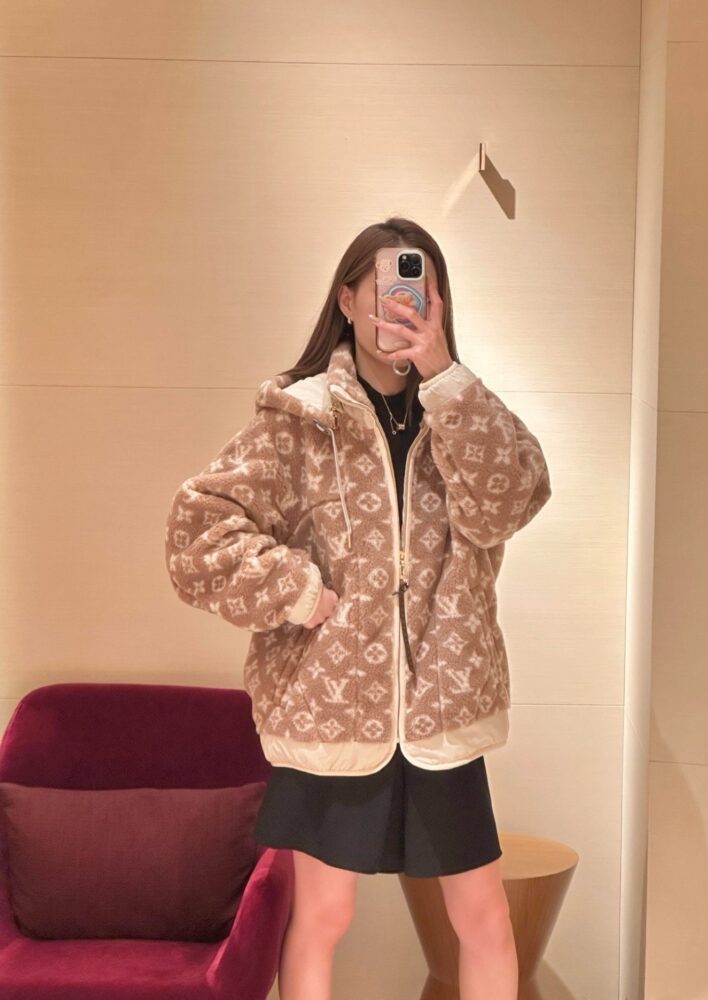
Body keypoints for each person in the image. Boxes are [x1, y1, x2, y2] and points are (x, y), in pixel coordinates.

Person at [164, 217, 552, 1000]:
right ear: (347, 300)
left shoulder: (460, 412)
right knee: (323, 915)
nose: (404, 306)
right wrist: (297, 590)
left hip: (441, 705)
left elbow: (513, 499)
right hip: (332, 704)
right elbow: (195, 531)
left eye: (421, 291)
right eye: (387, 289)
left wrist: (444, 376)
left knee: (484, 919)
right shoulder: (299, 418)